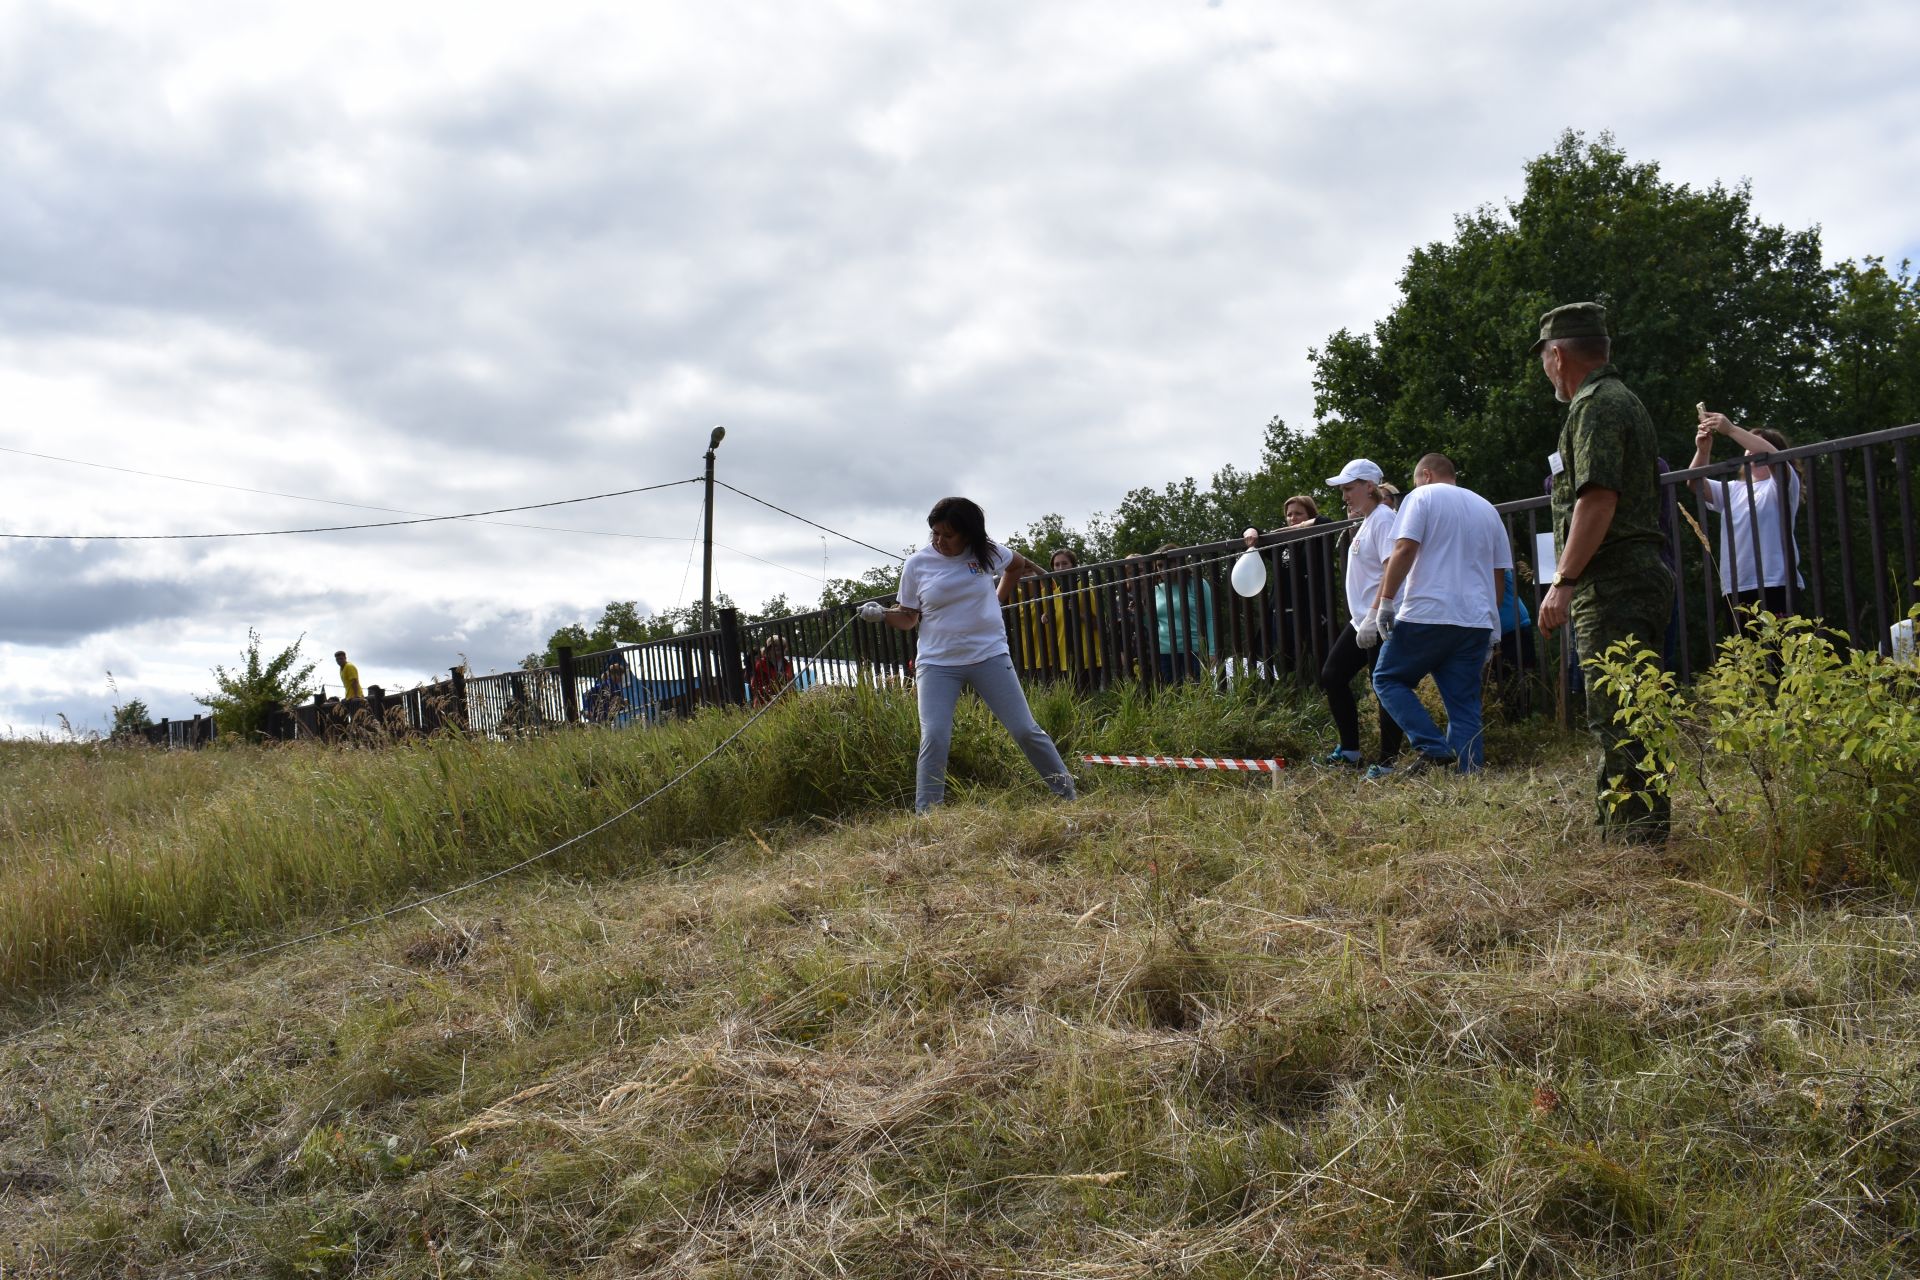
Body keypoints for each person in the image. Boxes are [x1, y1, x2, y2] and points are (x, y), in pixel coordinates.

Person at [1533, 301, 1675, 843]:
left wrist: (1564, 581)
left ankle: (1634, 844)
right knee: (1632, 711)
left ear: (1558, 353)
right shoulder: (1622, 400)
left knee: (1619, 714)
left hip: (1612, 578)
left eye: (1544, 358)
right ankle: (1630, 831)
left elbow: (1597, 499)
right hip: (1635, 574)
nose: (1546, 368)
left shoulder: (1594, 406)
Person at [865, 497, 1076, 814]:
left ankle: (1067, 795)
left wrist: (997, 598)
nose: (939, 541)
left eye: (948, 535)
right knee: (935, 736)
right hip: (937, 664)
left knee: (1024, 729)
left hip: (989, 655)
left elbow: (1017, 564)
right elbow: (908, 618)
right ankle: (928, 815)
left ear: (968, 534)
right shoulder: (917, 565)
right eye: (935, 533)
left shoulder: (986, 551)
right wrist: (882, 615)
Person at [1360, 453, 1511, 777]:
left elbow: (1404, 548)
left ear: (1426, 475)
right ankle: (1470, 773)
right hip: (1474, 621)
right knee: (1464, 703)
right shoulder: (1487, 509)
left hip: (1427, 613)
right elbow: (1498, 574)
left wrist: (1385, 601)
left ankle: (1431, 745)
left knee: (1387, 678)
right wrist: (1491, 623)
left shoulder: (1421, 497)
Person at [1314, 459, 1405, 768]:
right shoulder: (1367, 520)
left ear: (1369, 487)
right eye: (1343, 490)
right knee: (1332, 675)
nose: (1345, 496)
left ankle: (1388, 761)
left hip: (1378, 618)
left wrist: (1376, 613)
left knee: (1383, 686)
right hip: (1362, 621)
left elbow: (1390, 567)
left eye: (1349, 488)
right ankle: (1351, 750)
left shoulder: (1383, 519)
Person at [1689, 408, 1803, 624]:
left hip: (1776, 583)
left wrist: (1730, 429)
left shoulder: (1782, 485)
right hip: (1736, 588)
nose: (1749, 451)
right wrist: (1703, 451)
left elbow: (1776, 460)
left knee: (1780, 656)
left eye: (1753, 445)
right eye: (1747, 448)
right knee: (1746, 657)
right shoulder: (1733, 490)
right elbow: (1695, 484)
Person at [1151, 544, 1216, 683]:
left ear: (1178, 562)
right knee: (1169, 697)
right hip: (1164, 652)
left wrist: (1212, 651)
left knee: (1196, 695)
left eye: (1167, 564)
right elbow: (1153, 623)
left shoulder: (1197, 583)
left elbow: (1210, 618)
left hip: (1193, 650)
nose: (1163, 570)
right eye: (1159, 566)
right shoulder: (1156, 589)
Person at [749, 635, 795, 707]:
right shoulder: (761, 664)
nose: (780, 652)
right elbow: (754, 685)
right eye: (777, 649)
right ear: (769, 650)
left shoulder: (787, 664)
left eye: (782, 649)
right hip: (765, 704)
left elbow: (791, 683)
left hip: (784, 704)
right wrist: (771, 687)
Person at [584, 659, 629, 723]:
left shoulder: (613, 685)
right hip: (601, 716)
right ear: (615, 675)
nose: (621, 678)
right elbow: (611, 701)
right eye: (620, 675)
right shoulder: (609, 686)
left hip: (603, 716)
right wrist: (623, 702)